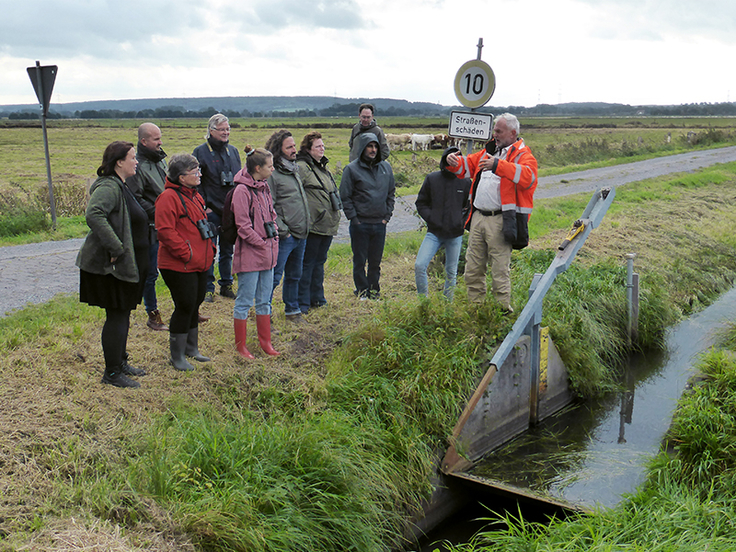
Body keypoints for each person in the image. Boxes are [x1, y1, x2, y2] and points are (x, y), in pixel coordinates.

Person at [446, 113, 538, 311]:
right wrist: (451, 160)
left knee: (499, 270)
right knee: (472, 269)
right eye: (494, 130)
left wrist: (497, 165)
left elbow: (528, 178)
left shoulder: (524, 156)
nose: (494, 134)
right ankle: (476, 311)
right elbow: (466, 166)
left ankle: (501, 312)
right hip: (478, 217)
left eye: (498, 131)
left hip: (500, 220)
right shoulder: (487, 152)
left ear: (513, 133)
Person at [76, 141, 149, 389]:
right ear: (119, 161)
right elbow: (94, 214)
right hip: (111, 266)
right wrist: (116, 247)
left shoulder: (122, 185)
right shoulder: (109, 186)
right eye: (132, 157)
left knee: (123, 313)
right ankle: (112, 372)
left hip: (125, 264)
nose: (136, 161)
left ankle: (121, 362)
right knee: (117, 314)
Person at [155, 154, 216, 371]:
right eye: (195, 171)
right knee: (185, 305)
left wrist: (210, 250)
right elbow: (164, 231)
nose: (199, 174)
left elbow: (201, 225)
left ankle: (192, 349)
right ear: (181, 177)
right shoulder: (168, 198)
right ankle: (177, 356)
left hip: (199, 262)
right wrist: (187, 253)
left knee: (195, 302)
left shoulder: (195, 196)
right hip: (178, 264)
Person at [232, 147, 280, 358]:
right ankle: (241, 346)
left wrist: (274, 233)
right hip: (251, 254)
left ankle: (265, 342)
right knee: (244, 301)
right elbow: (242, 225)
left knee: (264, 300)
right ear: (258, 168)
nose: (273, 169)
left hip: (268, 253)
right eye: (270, 166)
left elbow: (272, 214)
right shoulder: (242, 191)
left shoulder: (264, 187)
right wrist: (260, 243)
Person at [340, 132, 395, 300]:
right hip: (360, 224)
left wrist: (387, 215)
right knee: (359, 260)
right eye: (370, 146)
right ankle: (362, 291)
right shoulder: (351, 169)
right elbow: (345, 196)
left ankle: (374, 290)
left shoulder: (386, 168)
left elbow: (391, 193)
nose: (373, 150)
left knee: (375, 262)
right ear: (363, 148)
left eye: (375, 146)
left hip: (380, 223)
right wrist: (354, 218)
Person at [192, 113, 242, 302]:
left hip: (230, 211)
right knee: (209, 250)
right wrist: (204, 207)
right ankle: (207, 288)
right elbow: (196, 183)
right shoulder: (200, 152)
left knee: (228, 251)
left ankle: (226, 285)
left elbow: (238, 180)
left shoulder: (234, 151)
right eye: (221, 130)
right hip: (210, 210)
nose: (225, 132)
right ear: (211, 131)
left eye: (228, 129)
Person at [126, 122, 169, 331]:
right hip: (151, 228)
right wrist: (160, 211)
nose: (160, 142)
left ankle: (187, 308)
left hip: (169, 225)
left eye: (160, 138)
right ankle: (152, 314)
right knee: (150, 273)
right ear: (144, 141)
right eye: (155, 139)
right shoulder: (138, 166)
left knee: (175, 268)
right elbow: (135, 199)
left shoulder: (160, 162)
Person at [265, 129, 310, 323]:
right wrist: (284, 231)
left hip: (300, 234)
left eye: (294, 145)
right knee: (274, 278)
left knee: (295, 275)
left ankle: (292, 311)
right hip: (285, 237)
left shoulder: (293, 169)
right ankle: (263, 314)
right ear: (279, 150)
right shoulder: (273, 174)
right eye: (289, 147)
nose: (294, 150)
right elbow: (269, 206)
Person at [414, 146, 471, 300]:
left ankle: (448, 305)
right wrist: (432, 218)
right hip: (434, 233)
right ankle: (423, 302)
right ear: (445, 159)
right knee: (420, 265)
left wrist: (461, 222)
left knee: (451, 272)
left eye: (458, 160)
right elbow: (421, 203)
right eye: (451, 159)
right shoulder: (432, 179)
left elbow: (469, 206)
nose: (454, 163)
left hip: (455, 235)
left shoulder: (466, 182)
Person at [296, 131, 342, 314]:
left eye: (323, 146)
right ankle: (303, 302)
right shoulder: (302, 167)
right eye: (318, 146)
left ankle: (318, 298)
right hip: (313, 224)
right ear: (308, 149)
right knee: (308, 263)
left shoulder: (323, 167)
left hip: (327, 224)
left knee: (319, 262)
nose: (322, 149)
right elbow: (294, 193)